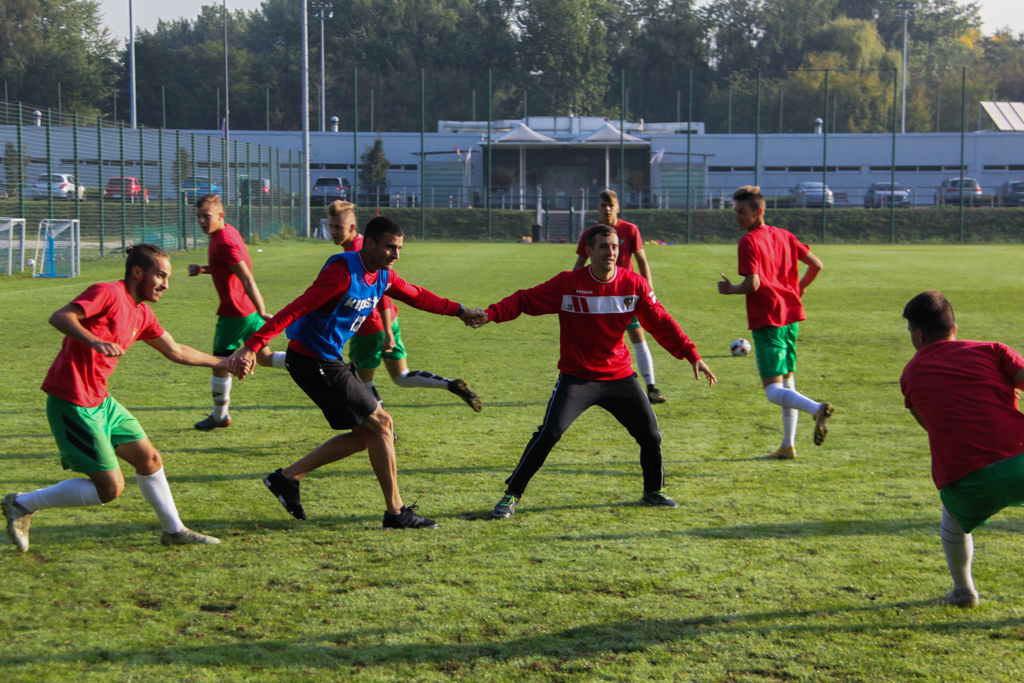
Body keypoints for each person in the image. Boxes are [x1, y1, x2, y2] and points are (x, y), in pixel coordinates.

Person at [228, 216, 483, 529]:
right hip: (313, 360)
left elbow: (417, 295)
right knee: (382, 424)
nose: (396, 254)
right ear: (370, 243)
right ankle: (396, 513)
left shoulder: (383, 275)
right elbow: (297, 308)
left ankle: (287, 478)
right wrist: (253, 346)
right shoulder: (342, 273)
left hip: (327, 359)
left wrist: (460, 311)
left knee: (364, 436)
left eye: (399, 248)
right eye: (390, 247)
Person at [470, 224, 717, 519]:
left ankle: (653, 491)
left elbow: (660, 321)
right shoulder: (568, 283)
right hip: (577, 378)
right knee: (549, 433)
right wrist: (491, 314)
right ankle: (512, 494)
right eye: (603, 247)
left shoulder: (633, 284)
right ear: (589, 251)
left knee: (650, 435)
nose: (610, 252)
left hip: (619, 377)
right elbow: (524, 300)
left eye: (614, 247)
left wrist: (691, 353)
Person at [2, 245, 235, 552]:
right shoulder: (108, 293)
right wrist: (95, 341)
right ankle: (22, 504)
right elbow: (60, 317)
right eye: (160, 275)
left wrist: (224, 362)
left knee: (149, 459)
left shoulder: (142, 313)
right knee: (110, 489)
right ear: (138, 273)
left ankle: (174, 531)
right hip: (73, 402)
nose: (165, 284)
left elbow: (176, 350)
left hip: (102, 401)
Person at [900, 290, 1024, 608]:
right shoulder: (994, 350)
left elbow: (930, 425)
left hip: (967, 478)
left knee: (953, 522)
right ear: (955, 327)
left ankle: (964, 591)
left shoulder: (910, 373)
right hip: (1020, 458)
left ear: (918, 335)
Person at [329, 201, 481, 411]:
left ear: (352, 227)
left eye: (338, 227)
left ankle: (382, 426)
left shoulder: (360, 252)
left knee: (364, 384)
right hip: (389, 320)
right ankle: (451, 384)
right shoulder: (368, 242)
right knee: (401, 376)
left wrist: (387, 333)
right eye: (331, 226)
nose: (333, 232)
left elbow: (381, 293)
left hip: (370, 327)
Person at [717, 185, 833, 459]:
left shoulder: (749, 241)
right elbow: (816, 264)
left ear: (758, 211)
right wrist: (798, 290)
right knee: (787, 382)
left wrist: (731, 289)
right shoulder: (785, 235)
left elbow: (753, 284)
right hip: (790, 317)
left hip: (768, 318)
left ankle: (816, 409)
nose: (736, 217)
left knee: (773, 390)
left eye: (742, 212)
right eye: (735, 211)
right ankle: (787, 446)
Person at [187, 194, 285, 431]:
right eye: (198, 216)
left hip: (235, 313)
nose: (201, 221)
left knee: (219, 363)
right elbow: (225, 267)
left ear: (221, 215)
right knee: (264, 358)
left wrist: (263, 311)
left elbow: (247, 277)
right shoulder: (226, 233)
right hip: (247, 311)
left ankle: (220, 415)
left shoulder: (223, 242)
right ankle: (309, 361)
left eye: (206, 216)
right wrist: (203, 270)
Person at [573, 190, 666, 404]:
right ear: (598, 207)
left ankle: (651, 387)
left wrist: (649, 290)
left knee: (637, 336)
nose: (607, 208)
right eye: (603, 205)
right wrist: (570, 289)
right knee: (595, 340)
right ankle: (590, 386)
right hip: (598, 297)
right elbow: (580, 264)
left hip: (626, 296)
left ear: (618, 207)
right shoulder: (590, 233)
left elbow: (641, 261)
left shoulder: (630, 229)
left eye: (611, 205)